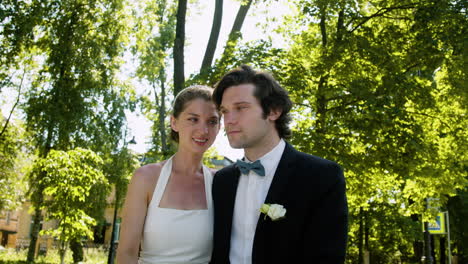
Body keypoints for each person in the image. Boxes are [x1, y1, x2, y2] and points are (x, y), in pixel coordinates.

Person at [210, 65, 348, 264]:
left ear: (274, 111)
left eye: (241, 108)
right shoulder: (222, 181)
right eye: (225, 111)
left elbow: (327, 257)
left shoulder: (321, 176)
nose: (229, 120)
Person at [117, 85, 221, 264]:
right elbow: (127, 252)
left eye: (212, 121)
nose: (203, 130)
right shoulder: (146, 178)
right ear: (174, 122)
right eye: (193, 119)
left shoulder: (219, 182)